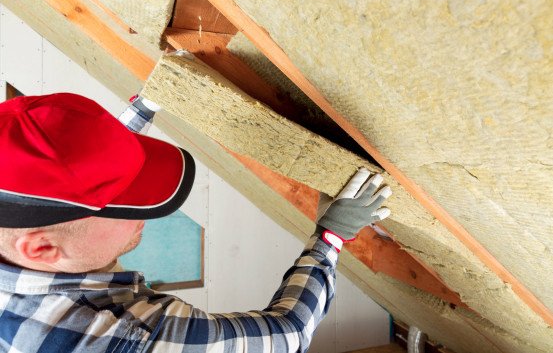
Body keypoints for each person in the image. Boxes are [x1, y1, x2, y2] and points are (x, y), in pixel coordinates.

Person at [0, 93, 391, 353]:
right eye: (128, 208)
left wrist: (150, 100)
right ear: (42, 249)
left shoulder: (23, 228)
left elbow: (73, 166)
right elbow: (287, 334)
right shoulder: (120, 341)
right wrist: (331, 237)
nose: (150, 213)